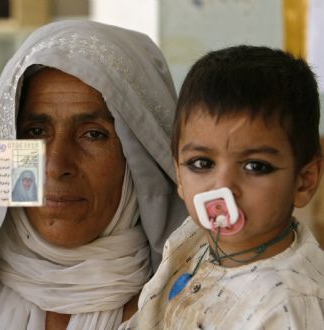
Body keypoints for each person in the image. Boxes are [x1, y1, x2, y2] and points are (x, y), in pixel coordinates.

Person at [0, 20, 187, 329]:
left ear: (138, 159)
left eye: (93, 134)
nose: (55, 165)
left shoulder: (196, 303)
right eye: (35, 132)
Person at [121, 45, 324, 329]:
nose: (223, 187)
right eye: (202, 163)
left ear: (304, 181)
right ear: (179, 175)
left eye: (256, 166)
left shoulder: (290, 306)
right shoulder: (193, 236)